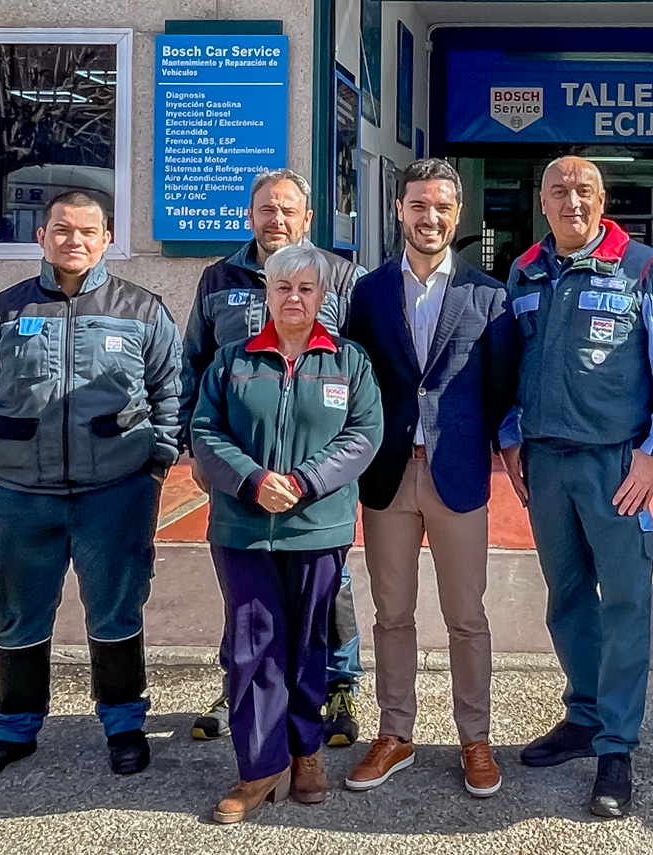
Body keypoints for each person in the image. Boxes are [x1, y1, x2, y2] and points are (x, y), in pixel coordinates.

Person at [0, 191, 182, 785]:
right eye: (62, 230)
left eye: (87, 231)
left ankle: (123, 725)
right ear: (42, 236)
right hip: (16, 496)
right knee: (17, 615)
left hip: (115, 493)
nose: (74, 241)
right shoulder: (0, 312)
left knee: (116, 611)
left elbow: (171, 393)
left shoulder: (141, 309)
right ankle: (12, 729)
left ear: (107, 239)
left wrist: (154, 467)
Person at [499, 156, 653, 818]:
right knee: (567, 598)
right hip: (546, 465)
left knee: (625, 604)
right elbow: (507, 365)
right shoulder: (525, 270)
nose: (572, 201)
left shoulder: (642, 268)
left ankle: (616, 746)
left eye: (583, 189)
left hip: (616, 468)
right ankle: (584, 716)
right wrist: (510, 439)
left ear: (602, 198)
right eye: (558, 190)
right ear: (542, 201)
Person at [343, 158, 518, 798]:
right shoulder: (368, 293)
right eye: (418, 205)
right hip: (388, 475)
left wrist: (484, 447)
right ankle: (395, 733)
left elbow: (501, 386)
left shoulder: (488, 295)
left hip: (457, 474)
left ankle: (475, 737)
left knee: (466, 615)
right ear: (399, 210)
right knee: (392, 613)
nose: (430, 217)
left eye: (442, 206)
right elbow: (357, 379)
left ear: (457, 212)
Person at [191, 244, 382, 823]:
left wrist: (303, 481)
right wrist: (253, 481)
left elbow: (363, 434)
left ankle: (305, 753)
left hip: (317, 526)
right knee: (253, 647)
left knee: (308, 646)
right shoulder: (232, 360)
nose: (294, 298)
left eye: (305, 288)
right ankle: (259, 767)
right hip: (242, 528)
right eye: (282, 288)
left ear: (322, 297)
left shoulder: (348, 361)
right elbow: (205, 432)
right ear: (267, 295)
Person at [180, 168, 368, 745]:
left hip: (317, 478)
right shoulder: (219, 278)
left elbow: (363, 371)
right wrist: (199, 452)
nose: (277, 219)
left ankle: (339, 683)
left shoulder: (344, 277)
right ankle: (241, 684)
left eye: (288, 210)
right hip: (243, 472)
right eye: (267, 209)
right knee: (247, 589)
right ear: (250, 215)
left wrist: (333, 471)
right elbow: (194, 365)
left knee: (330, 586)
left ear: (308, 218)